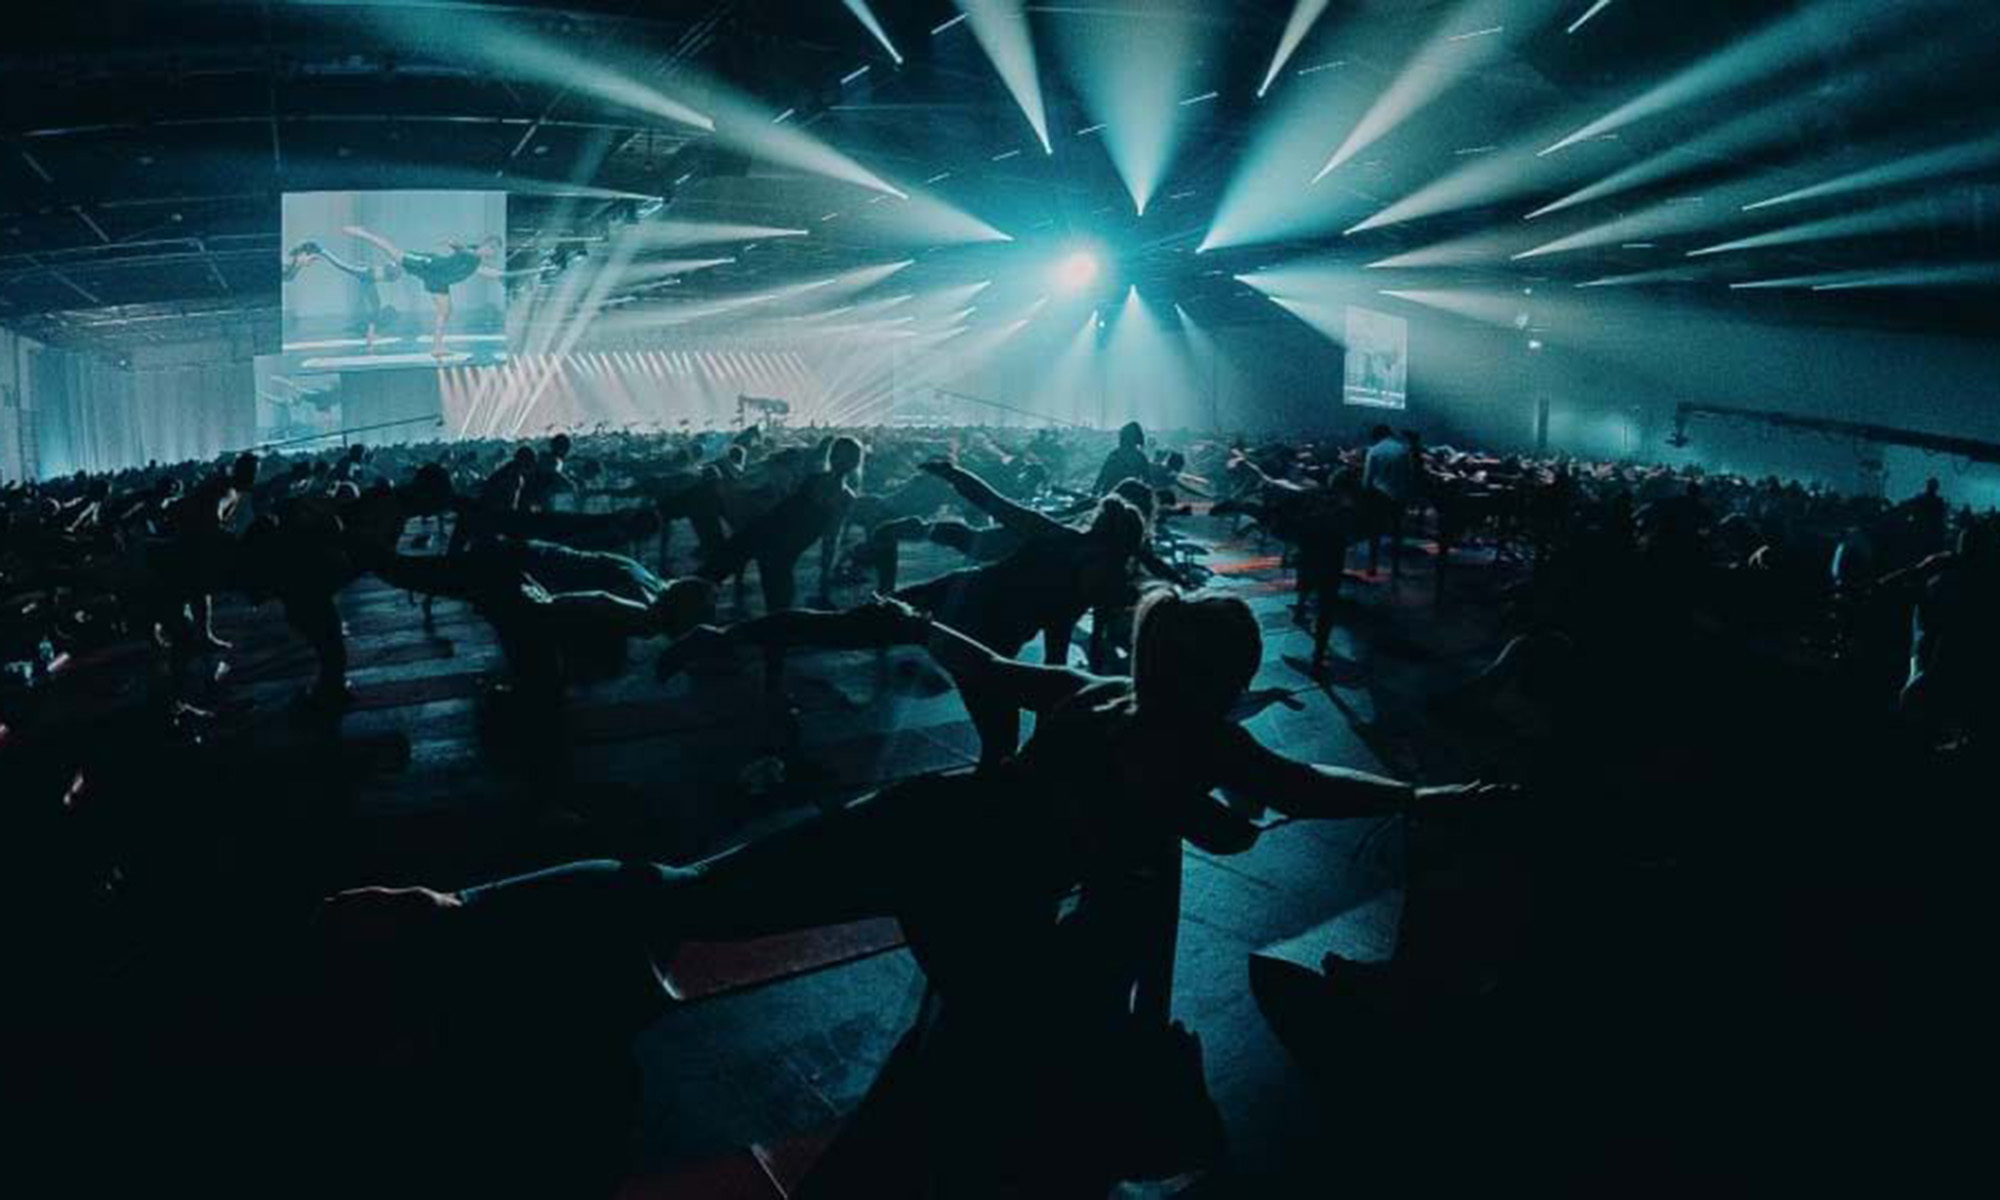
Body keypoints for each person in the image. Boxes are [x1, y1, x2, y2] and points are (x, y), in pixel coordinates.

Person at [320, 591, 1506, 1195]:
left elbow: (989, 669)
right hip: (982, 886)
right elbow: (1310, 785)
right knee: (980, 1069)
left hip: (931, 824)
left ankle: (461, 911)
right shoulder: (1203, 742)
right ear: (1221, 673)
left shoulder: (1098, 694)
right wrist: (1430, 796)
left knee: (689, 894)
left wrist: (924, 624)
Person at [336, 225, 524, 360]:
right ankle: (360, 233)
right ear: (489, 246)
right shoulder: (472, 253)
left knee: (446, 311)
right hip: (428, 264)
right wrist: (455, 245)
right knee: (393, 251)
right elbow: (464, 250)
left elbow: (482, 270)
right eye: (494, 251)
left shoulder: (475, 260)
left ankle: (437, 346)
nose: (494, 255)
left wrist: (502, 275)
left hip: (439, 280)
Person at [1361, 425, 1412, 579]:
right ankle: (1395, 568)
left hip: (1379, 495)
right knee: (1397, 533)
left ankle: (1372, 566)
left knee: (1374, 532)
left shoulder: (1374, 450)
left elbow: (1367, 478)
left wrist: (1364, 496)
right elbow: (1408, 474)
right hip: (1399, 495)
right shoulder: (1403, 449)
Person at [1093, 421, 1152, 497]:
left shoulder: (1115, 455)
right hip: (1118, 497)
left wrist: (1095, 491)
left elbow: (1102, 477)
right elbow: (1148, 482)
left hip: (1119, 496)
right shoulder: (1140, 457)